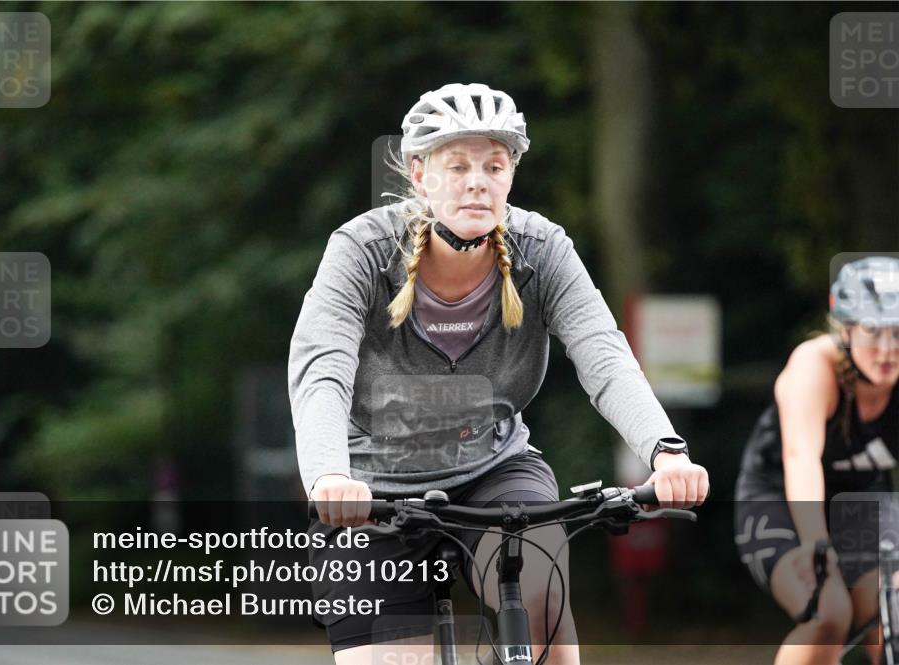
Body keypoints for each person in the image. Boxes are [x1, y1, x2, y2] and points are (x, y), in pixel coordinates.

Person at [288, 82, 710, 665]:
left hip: (494, 474)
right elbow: (322, 370)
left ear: (511, 173)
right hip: (370, 489)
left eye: (494, 164)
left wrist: (666, 452)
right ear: (418, 173)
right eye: (456, 165)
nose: (476, 181)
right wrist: (329, 476)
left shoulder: (542, 250)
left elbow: (603, 355)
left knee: (544, 597)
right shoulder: (361, 251)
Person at [734, 256, 899, 665]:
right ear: (846, 329)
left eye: (898, 333)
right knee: (829, 613)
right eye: (873, 332)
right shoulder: (815, 365)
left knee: (893, 607)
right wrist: (816, 542)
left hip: (862, 499)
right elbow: (800, 456)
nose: (886, 349)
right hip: (780, 498)